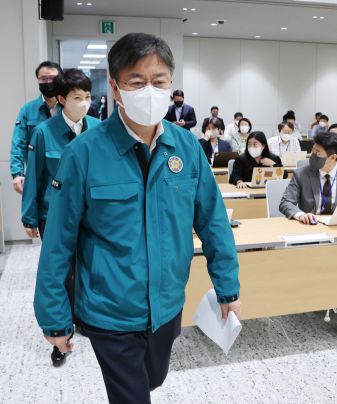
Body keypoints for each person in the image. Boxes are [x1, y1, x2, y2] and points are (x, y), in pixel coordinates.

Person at [33, 33, 241, 404]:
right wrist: (54, 315)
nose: (150, 91)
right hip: (109, 311)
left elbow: (213, 222)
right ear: (115, 87)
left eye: (159, 82)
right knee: (131, 397)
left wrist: (228, 288)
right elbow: (58, 241)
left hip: (166, 304)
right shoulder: (83, 154)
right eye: (136, 82)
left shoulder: (186, 147)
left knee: (153, 379)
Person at [21, 69, 101, 367]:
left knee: (87, 263)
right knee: (61, 268)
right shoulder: (43, 132)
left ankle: (85, 317)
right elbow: (34, 178)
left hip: (90, 211)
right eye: (77, 98)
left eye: (88, 97)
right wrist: (29, 216)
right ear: (61, 99)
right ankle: (61, 329)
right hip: (51, 213)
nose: (84, 103)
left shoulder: (97, 128)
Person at [279, 132, 337, 348]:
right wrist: (301, 214)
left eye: (317, 153)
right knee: (331, 266)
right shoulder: (302, 173)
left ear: (332, 158)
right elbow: (285, 203)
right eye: (313, 151)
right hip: (310, 236)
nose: (312, 155)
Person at [10, 61, 63, 195]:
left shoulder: (69, 108)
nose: (48, 82)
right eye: (43, 79)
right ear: (38, 81)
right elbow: (19, 143)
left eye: (53, 78)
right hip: (38, 175)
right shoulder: (28, 110)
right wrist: (18, 173)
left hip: (66, 172)